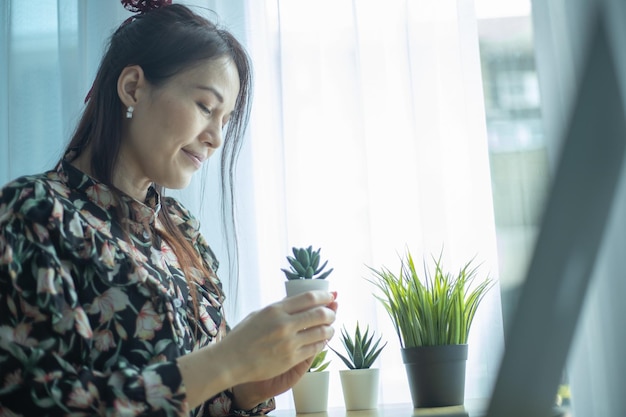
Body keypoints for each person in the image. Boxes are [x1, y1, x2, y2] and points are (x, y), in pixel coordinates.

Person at [0, 2, 337, 416]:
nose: (214, 137)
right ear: (133, 88)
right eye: (205, 107)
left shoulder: (181, 230)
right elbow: (36, 402)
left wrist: (244, 392)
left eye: (225, 119)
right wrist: (225, 361)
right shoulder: (34, 213)